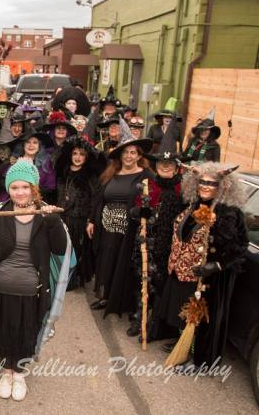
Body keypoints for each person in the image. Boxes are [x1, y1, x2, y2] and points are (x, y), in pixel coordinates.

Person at [0, 160, 67, 402]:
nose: (20, 192)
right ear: (8, 189)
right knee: (2, 329)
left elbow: (60, 248)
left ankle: (20, 373)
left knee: (27, 330)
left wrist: (53, 221)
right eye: (14, 187)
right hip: (1, 288)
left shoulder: (44, 213)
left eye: (25, 187)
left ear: (34, 188)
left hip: (32, 289)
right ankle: (6, 371)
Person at [151, 163, 248, 368]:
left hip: (207, 279)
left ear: (222, 186)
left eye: (211, 183)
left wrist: (216, 266)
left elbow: (240, 247)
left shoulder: (229, 213)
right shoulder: (192, 204)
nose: (205, 186)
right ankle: (182, 345)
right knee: (184, 312)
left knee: (199, 318)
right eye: (201, 182)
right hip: (182, 270)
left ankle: (197, 358)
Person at [88, 137, 155, 325]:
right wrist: (92, 220)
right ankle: (106, 297)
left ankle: (122, 303)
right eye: (125, 152)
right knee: (106, 261)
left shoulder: (147, 176)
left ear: (139, 156)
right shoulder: (111, 173)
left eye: (133, 152)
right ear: (120, 156)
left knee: (123, 264)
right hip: (107, 228)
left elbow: (152, 202)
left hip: (129, 231)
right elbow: (100, 199)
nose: (128, 156)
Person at [129, 149, 184, 339]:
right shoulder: (148, 185)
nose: (165, 167)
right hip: (146, 244)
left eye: (169, 164)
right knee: (141, 281)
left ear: (177, 168)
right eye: (161, 163)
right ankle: (139, 318)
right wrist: (140, 212)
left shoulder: (183, 190)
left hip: (170, 247)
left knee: (160, 286)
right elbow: (134, 210)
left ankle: (154, 325)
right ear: (156, 166)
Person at [55, 136, 102, 289]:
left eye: (81, 154)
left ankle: (72, 280)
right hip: (62, 216)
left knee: (76, 249)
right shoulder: (63, 171)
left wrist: (91, 220)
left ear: (86, 157)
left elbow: (95, 199)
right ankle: (59, 277)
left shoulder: (90, 176)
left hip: (79, 219)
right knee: (61, 248)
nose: (78, 157)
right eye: (75, 153)